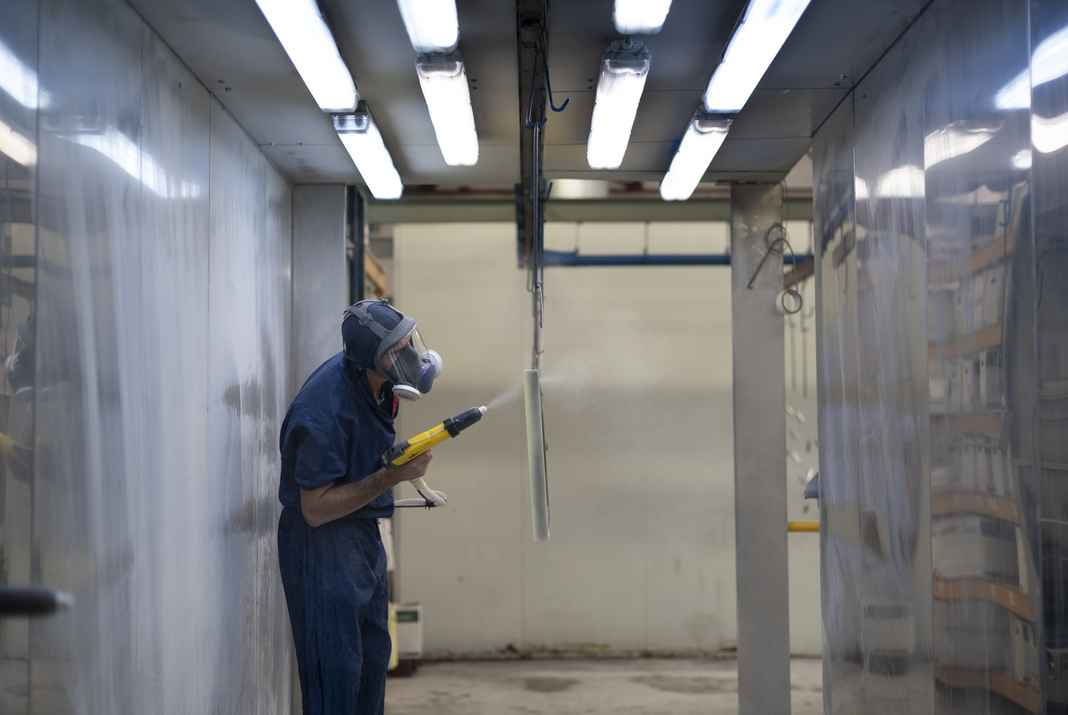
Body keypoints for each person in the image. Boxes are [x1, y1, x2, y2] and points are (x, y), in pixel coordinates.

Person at [277, 298, 443, 714]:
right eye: (396, 350)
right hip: (321, 547)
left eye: (410, 342)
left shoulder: (376, 381)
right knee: (336, 675)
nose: (409, 356)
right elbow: (314, 509)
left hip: (362, 534)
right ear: (369, 358)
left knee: (372, 661)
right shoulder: (323, 413)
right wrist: (391, 477)